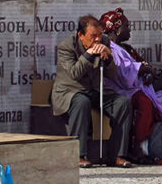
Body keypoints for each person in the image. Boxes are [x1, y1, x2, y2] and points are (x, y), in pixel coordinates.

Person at [51, 15, 133, 168]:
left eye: (100, 35)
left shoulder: (105, 42)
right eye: (93, 36)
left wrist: (108, 58)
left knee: (123, 103)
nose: (97, 40)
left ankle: (117, 154)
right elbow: (75, 73)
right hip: (70, 91)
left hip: (95, 89)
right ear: (81, 35)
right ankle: (78, 155)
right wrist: (88, 54)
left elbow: (112, 74)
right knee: (82, 102)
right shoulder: (67, 46)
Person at [99, 9, 162, 161]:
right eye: (127, 26)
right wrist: (142, 69)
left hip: (134, 86)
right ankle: (136, 147)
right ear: (117, 29)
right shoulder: (108, 48)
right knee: (144, 103)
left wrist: (147, 72)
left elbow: (140, 65)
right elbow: (121, 75)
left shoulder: (127, 48)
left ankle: (155, 147)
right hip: (119, 89)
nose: (130, 29)